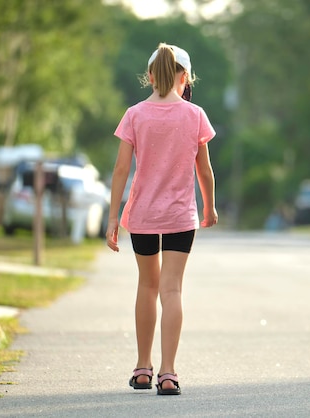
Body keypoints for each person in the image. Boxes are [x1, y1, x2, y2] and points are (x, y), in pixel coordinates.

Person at [106, 43, 218, 396]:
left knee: (147, 286)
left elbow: (121, 169)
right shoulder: (195, 115)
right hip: (180, 217)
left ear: (151, 76)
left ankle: (142, 368)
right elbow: (205, 170)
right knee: (172, 290)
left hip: (142, 215)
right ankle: (168, 373)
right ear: (184, 78)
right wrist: (210, 207)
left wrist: (112, 219)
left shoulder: (135, 114)